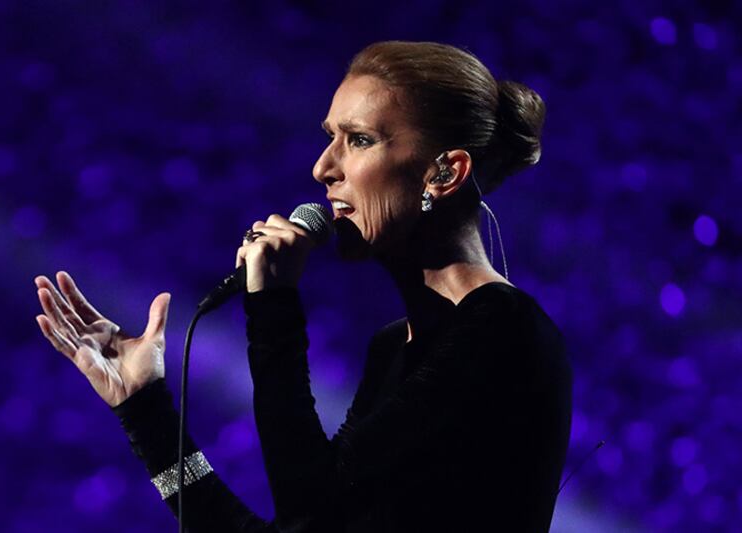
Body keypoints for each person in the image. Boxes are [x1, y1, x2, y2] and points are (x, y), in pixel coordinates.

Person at [35, 41, 572, 532]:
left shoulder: (501, 329)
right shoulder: (394, 347)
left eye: (359, 140)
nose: (323, 168)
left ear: (445, 173)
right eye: (329, 138)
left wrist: (273, 309)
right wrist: (144, 411)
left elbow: (309, 503)